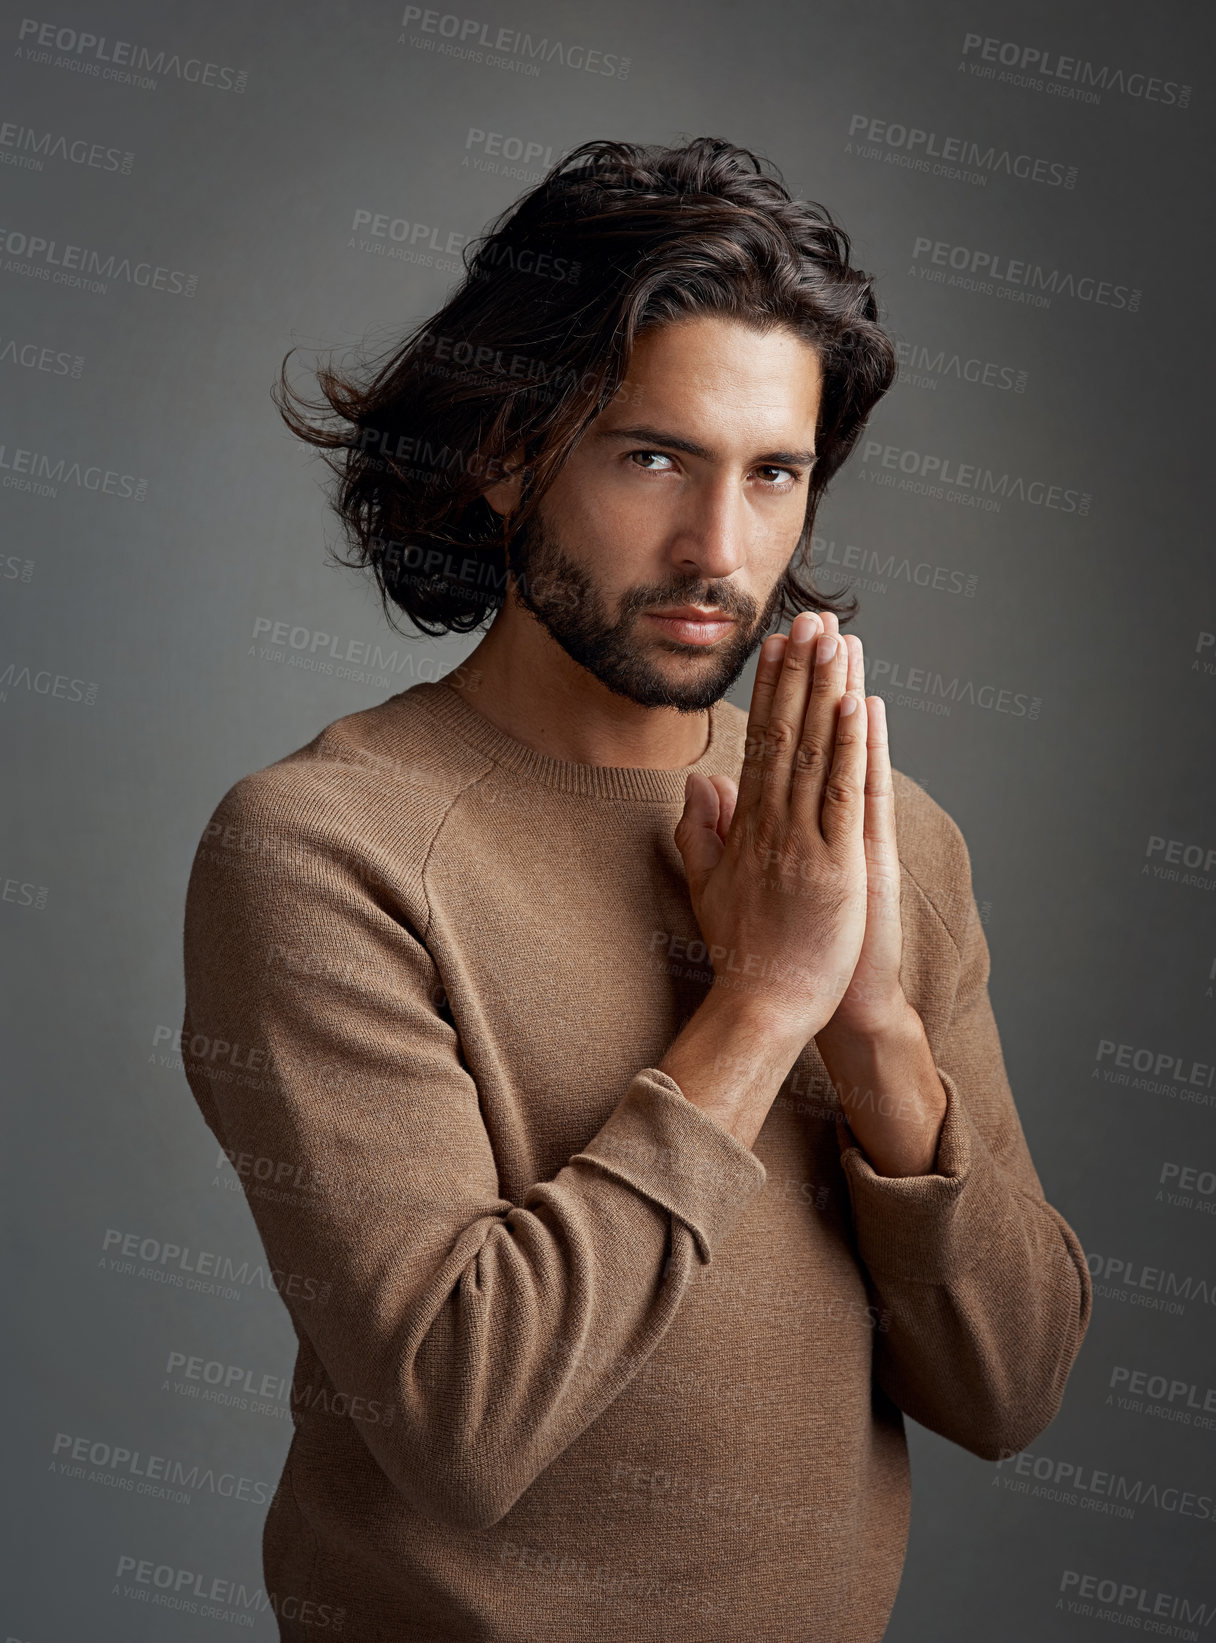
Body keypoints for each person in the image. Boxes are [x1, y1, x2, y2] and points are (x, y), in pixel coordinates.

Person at [181, 136, 1091, 1641]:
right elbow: (462, 1420)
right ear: (505, 450)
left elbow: (1012, 1390)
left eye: (775, 474)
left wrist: (873, 1040)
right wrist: (767, 1002)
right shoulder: (322, 852)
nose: (718, 551)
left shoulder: (882, 836)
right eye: (652, 456)